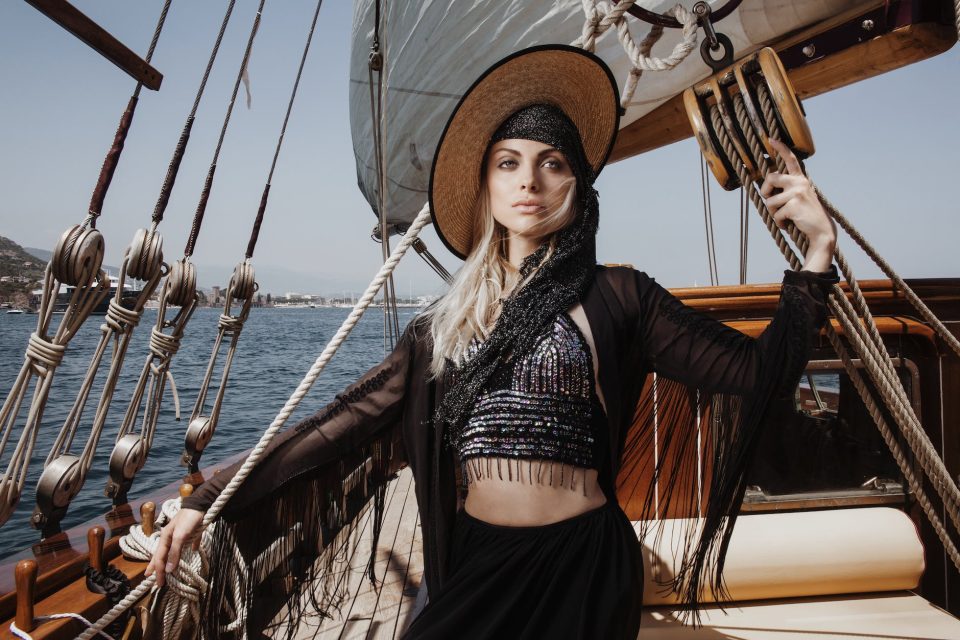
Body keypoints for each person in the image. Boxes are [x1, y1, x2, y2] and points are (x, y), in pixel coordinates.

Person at [146, 45, 838, 639]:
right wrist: (212, 501)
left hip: (582, 565)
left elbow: (756, 371)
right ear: (487, 183)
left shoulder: (621, 296)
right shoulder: (442, 324)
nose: (529, 181)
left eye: (551, 163)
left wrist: (816, 250)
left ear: (577, 185)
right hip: (479, 558)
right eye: (508, 162)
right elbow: (342, 424)